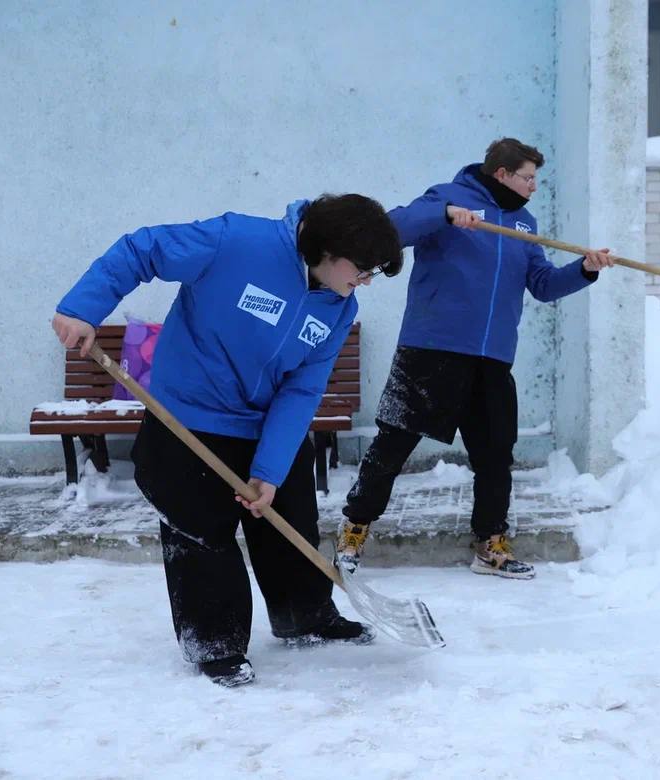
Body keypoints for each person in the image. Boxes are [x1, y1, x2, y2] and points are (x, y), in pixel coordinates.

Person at [51, 194, 403, 687]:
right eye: (363, 269)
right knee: (201, 535)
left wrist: (270, 470)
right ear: (330, 248)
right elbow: (142, 250)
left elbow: (302, 387)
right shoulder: (235, 241)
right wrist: (83, 308)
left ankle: (305, 615)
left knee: (288, 522)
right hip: (190, 418)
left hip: (264, 425)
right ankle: (214, 643)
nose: (364, 282)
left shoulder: (337, 308)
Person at [336, 138, 613, 580]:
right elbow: (393, 230)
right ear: (502, 174)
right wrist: (443, 216)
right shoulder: (448, 197)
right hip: (432, 350)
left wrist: (585, 270)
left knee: (495, 456)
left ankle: (490, 543)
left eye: (536, 179)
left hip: (492, 358)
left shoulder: (524, 224)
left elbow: (541, 285)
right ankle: (354, 530)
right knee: (393, 447)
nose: (533, 186)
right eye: (527, 177)